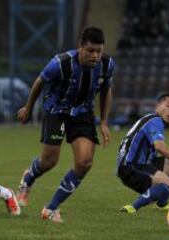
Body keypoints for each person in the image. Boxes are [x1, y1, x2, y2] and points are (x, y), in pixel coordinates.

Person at [16, 26, 116, 222]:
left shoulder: (107, 65)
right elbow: (39, 82)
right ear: (80, 47)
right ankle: (28, 179)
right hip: (57, 112)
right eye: (91, 51)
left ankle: (51, 208)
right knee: (49, 161)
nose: (95, 56)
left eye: (99, 51)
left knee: (85, 163)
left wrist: (104, 122)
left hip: (83, 113)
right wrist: (28, 108)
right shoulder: (60, 63)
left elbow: (106, 91)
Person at [116, 92, 169, 214]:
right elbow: (160, 147)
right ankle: (132, 207)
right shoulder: (155, 120)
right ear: (157, 106)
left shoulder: (151, 119)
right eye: (168, 106)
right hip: (131, 166)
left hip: (141, 163)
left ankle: (161, 204)